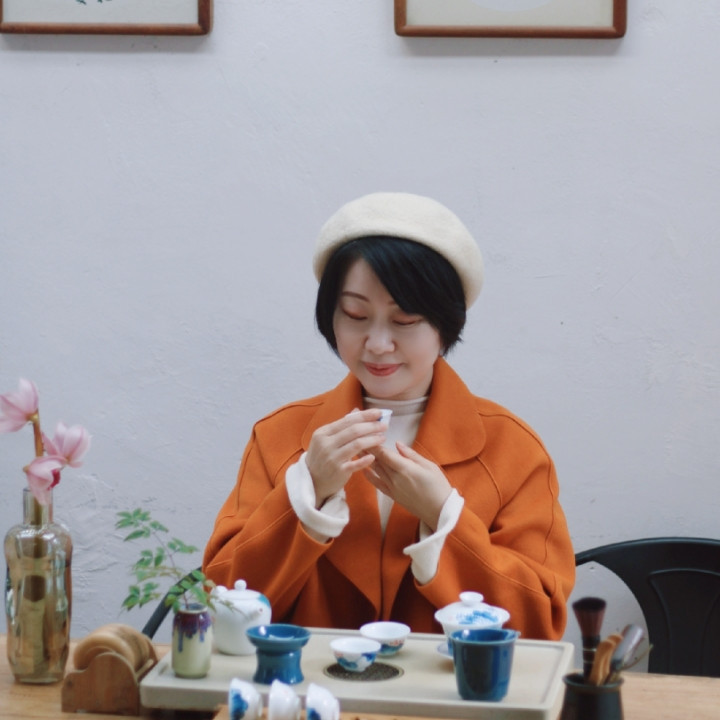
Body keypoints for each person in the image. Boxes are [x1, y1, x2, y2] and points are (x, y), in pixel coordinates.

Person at [203, 192, 575, 640]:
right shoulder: (278, 437)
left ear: (445, 324)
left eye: (405, 320)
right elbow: (218, 603)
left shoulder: (512, 449)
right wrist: (305, 493)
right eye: (355, 314)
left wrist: (444, 515)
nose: (378, 344)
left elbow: (540, 622)